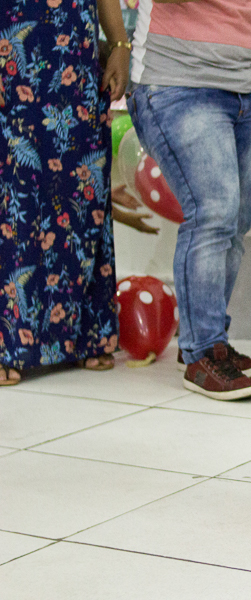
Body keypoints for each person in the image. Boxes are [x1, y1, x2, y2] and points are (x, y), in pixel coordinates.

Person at [127, 0, 251, 401]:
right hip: (175, 82)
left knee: (237, 217)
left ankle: (209, 342)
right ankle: (202, 353)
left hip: (245, 87)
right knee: (212, 213)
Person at [0, 0, 130, 385]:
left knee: (81, 195)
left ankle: (86, 336)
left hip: (74, 56)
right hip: (11, 52)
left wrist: (119, 45)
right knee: (14, 199)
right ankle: (9, 343)